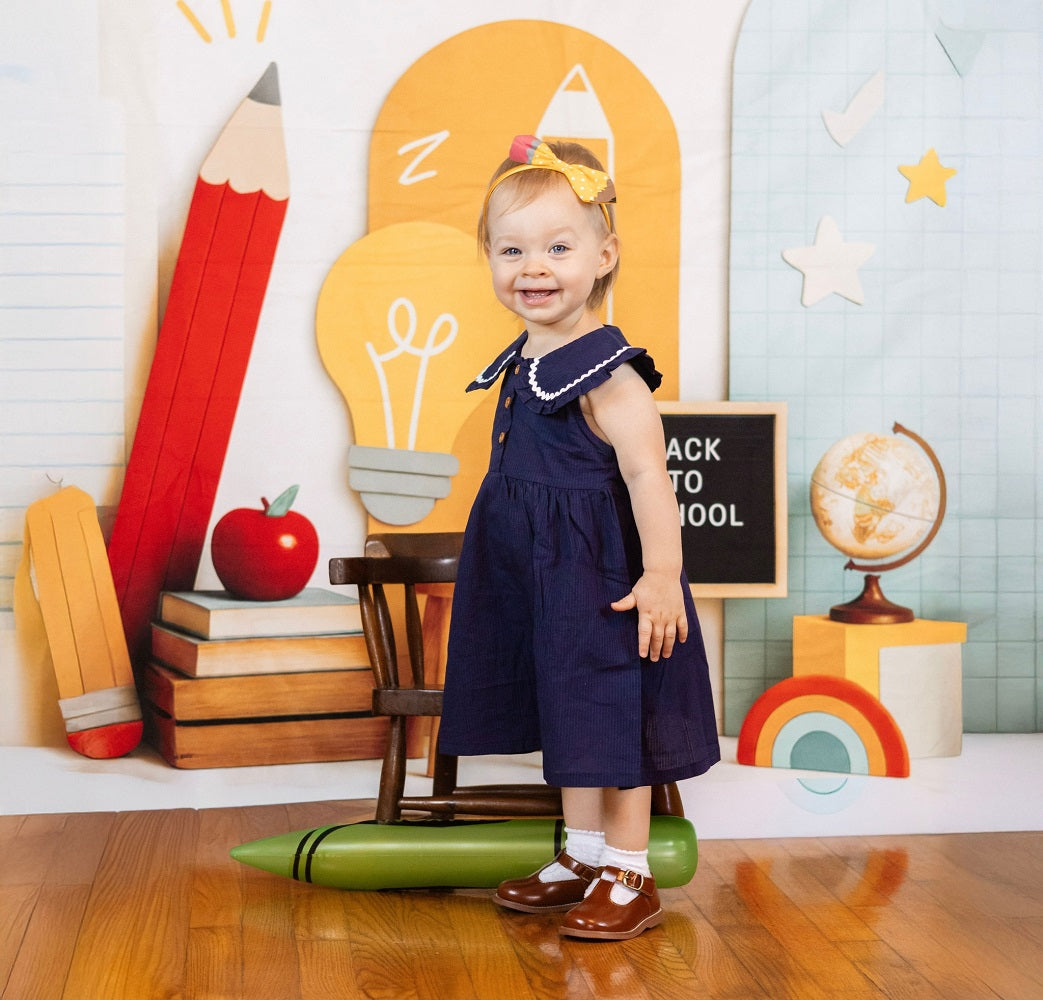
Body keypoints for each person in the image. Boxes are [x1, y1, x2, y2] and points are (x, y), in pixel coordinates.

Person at [438, 135, 720, 941]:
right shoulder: (522, 360)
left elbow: (647, 479)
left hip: (604, 580)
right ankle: (582, 853)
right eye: (511, 249)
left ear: (604, 255)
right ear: (488, 258)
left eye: (558, 247)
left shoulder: (610, 375)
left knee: (613, 711)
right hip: (539, 578)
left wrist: (661, 573)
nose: (533, 267)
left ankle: (629, 872)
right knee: (566, 711)